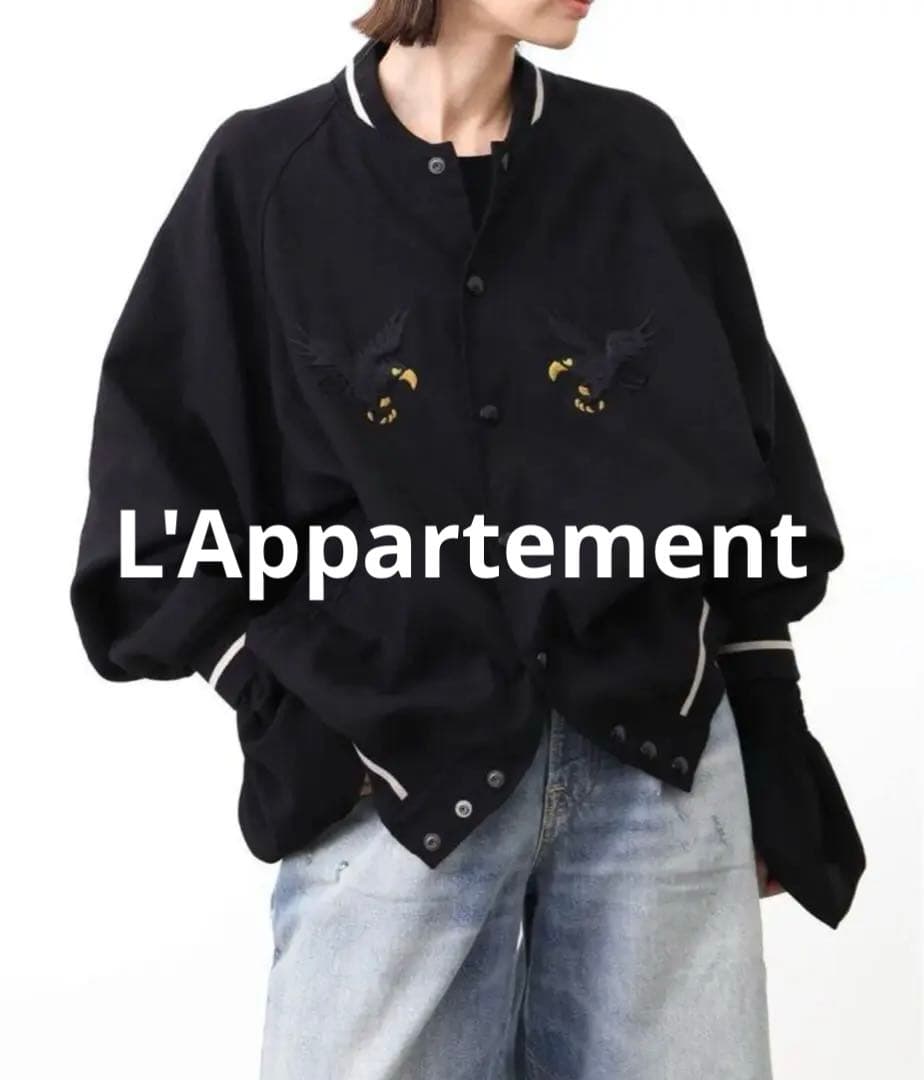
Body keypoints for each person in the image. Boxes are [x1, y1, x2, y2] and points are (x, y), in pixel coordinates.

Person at [70, 1, 866, 1077]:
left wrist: (774, 740)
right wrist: (292, 718)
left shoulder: (633, 159)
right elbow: (153, 502)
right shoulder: (264, 178)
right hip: (394, 777)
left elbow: (745, 482)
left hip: (658, 774)